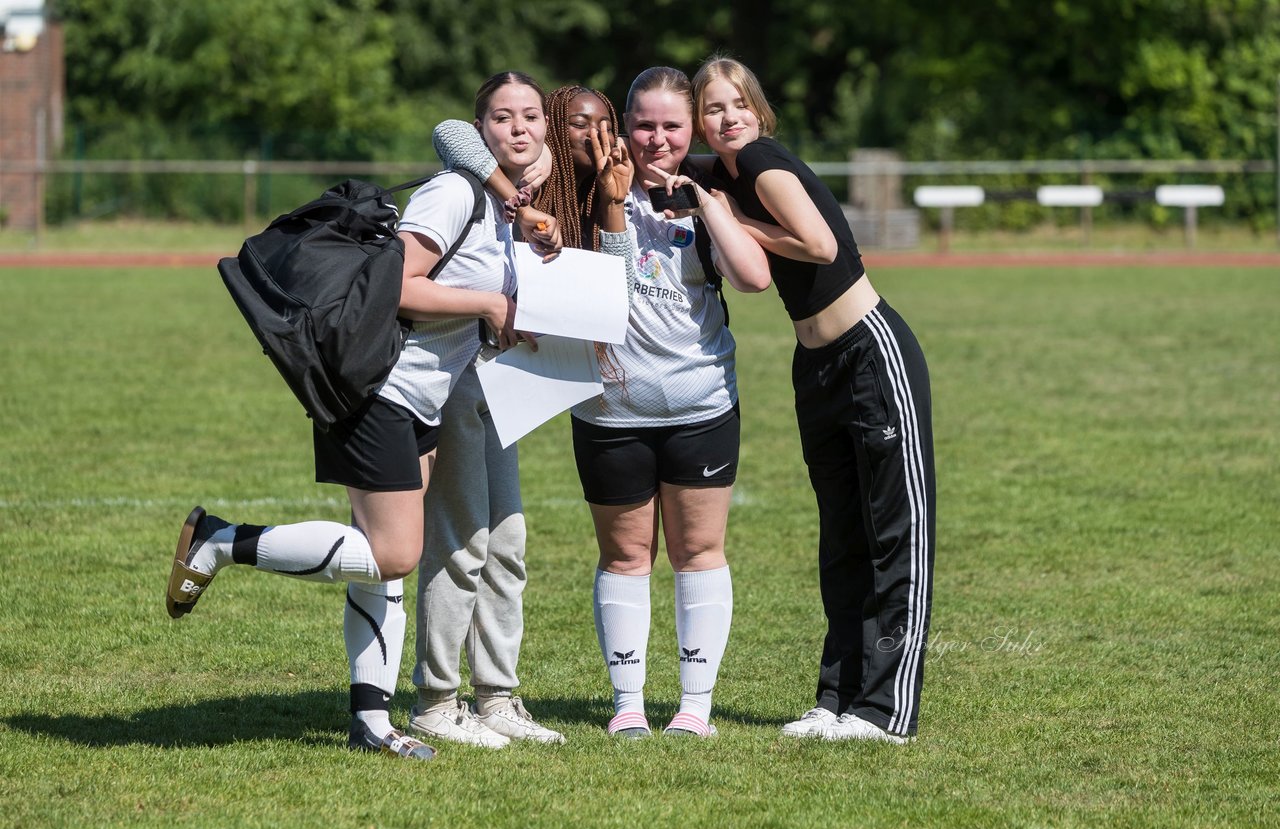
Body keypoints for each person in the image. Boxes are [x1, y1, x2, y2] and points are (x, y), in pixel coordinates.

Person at [164, 70, 548, 761]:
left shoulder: (505, 208)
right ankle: (219, 539)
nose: (518, 128)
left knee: (383, 566)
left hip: (419, 395)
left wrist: (502, 321)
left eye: (529, 116)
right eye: (501, 117)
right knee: (395, 552)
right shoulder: (456, 190)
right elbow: (400, 287)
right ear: (479, 131)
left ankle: (372, 723)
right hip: (380, 388)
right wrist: (490, 308)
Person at [440, 71, 772, 739]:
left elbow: (755, 276)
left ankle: (694, 708)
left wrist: (705, 199)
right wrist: (529, 199)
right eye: (632, 124)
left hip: (702, 404)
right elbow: (453, 132)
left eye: (667, 126)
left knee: (699, 551)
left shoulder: (693, 190)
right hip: (608, 413)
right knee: (623, 557)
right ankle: (627, 705)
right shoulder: (551, 187)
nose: (640, 138)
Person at [690, 55, 935, 744]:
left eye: (739, 103)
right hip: (817, 365)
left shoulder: (761, 160)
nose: (729, 116)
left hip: (869, 354)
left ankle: (885, 712)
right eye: (714, 109)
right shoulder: (727, 176)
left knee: (895, 537)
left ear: (759, 111)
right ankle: (837, 700)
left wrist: (727, 222)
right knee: (843, 540)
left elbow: (820, 244)